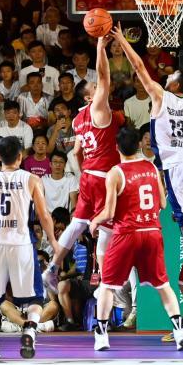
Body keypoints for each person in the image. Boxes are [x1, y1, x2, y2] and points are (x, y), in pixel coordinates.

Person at [107, 25, 183, 301]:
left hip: (177, 164)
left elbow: (138, 66)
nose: (168, 75)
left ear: (176, 84)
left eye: (173, 75)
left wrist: (122, 40)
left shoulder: (160, 95)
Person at [89, 126, 183, 352]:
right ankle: (180, 332)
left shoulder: (116, 172)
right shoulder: (152, 168)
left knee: (107, 285)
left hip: (127, 234)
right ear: (138, 146)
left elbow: (109, 212)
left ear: (117, 148)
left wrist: (94, 221)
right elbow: (163, 204)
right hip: (152, 232)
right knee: (164, 285)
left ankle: (102, 335)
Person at [42, 35, 123, 288]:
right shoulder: (99, 109)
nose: (100, 88)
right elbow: (104, 75)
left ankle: (53, 267)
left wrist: (83, 170)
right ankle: (102, 277)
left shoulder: (77, 121)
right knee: (107, 228)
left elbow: (76, 152)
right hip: (102, 178)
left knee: (77, 224)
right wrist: (100, 47)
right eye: (94, 89)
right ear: (90, 99)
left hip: (88, 176)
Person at [0, 137, 59, 360]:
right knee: (35, 297)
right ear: (20, 156)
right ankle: (29, 329)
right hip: (21, 243)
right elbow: (44, 215)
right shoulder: (31, 179)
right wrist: (53, 241)